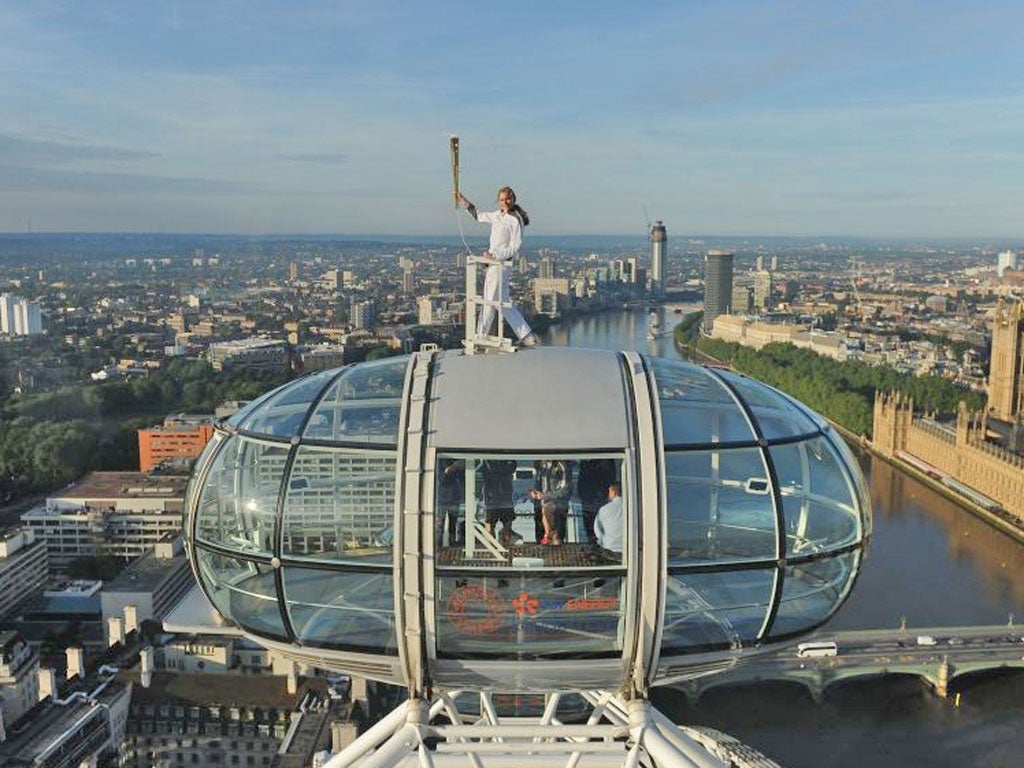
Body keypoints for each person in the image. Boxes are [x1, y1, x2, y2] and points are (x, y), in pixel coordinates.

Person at [456, 187, 538, 346]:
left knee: (489, 301)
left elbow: (515, 247)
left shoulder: (516, 219)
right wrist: (462, 201)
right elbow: (478, 215)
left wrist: (495, 256)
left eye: (507, 199)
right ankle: (527, 336)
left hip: (501, 264)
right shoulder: (497, 215)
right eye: (501, 199)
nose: (505, 202)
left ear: (513, 199)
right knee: (503, 303)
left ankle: (480, 336)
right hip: (494, 264)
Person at [577, 459, 617, 546]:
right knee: (592, 534)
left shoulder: (603, 460)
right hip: (589, 501)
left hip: (598, 501)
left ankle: (596, 549)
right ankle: (595, 549)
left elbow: (609, 480)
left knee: (597, 532)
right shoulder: (585, 462)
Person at [534, 459, 573, 545]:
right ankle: (547, 536)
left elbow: (565, 490)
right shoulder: (542, 464)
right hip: (541, 506)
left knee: (557, 538)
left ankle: (551, 537)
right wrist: (535, 493)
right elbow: (539, 482)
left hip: (558, 507)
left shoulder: (562, 465)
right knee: (541, 540)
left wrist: (546, 495)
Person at [480, 459, 517, 544]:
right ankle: (490, 549)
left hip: (506, 499)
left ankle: (506, 548)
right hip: (490, 499)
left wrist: (499, 470)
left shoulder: (508, 456)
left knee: (507, 528)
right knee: (489, 528)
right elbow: (486, 469)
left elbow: (512, 467)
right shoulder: (485, 459)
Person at [594, 482, 624, 553]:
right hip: (630, 548)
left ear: (614, 492)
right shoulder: (634, 508)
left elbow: (597, 531)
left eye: (609, 491)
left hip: (609, 549)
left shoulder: (604, 509)